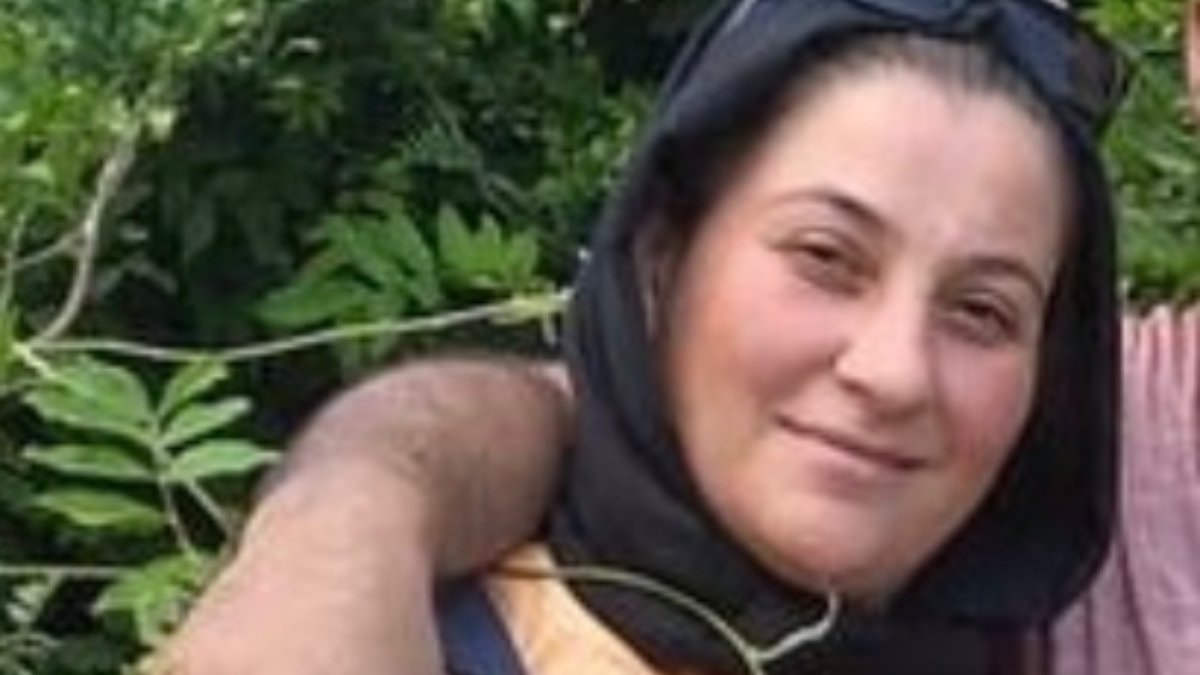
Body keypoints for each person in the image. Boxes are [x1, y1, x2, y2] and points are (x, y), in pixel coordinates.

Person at [159, 0, 1129, 672]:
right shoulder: (371, 640)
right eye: (826, 256)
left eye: (983, 312)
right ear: (663, 255)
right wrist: (342, 520)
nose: (894, 370)